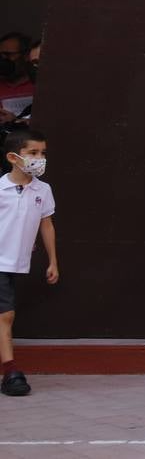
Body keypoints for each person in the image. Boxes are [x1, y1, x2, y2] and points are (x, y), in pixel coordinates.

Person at [0, 129, 56, 397]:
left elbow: (46, 224)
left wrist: (53, 261)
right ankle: (10, 372)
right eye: (32, 153)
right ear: (13, 157)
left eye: (42, 153)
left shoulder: (43, 190)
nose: (39, 158)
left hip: (17, 262)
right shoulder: (1, 189)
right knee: (6, 315)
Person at [0, 32, 35, 126]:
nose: (3, 60)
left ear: (26, 55)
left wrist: (15, 121)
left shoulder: (38, 85)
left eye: (8, 55)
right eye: (1, 55)